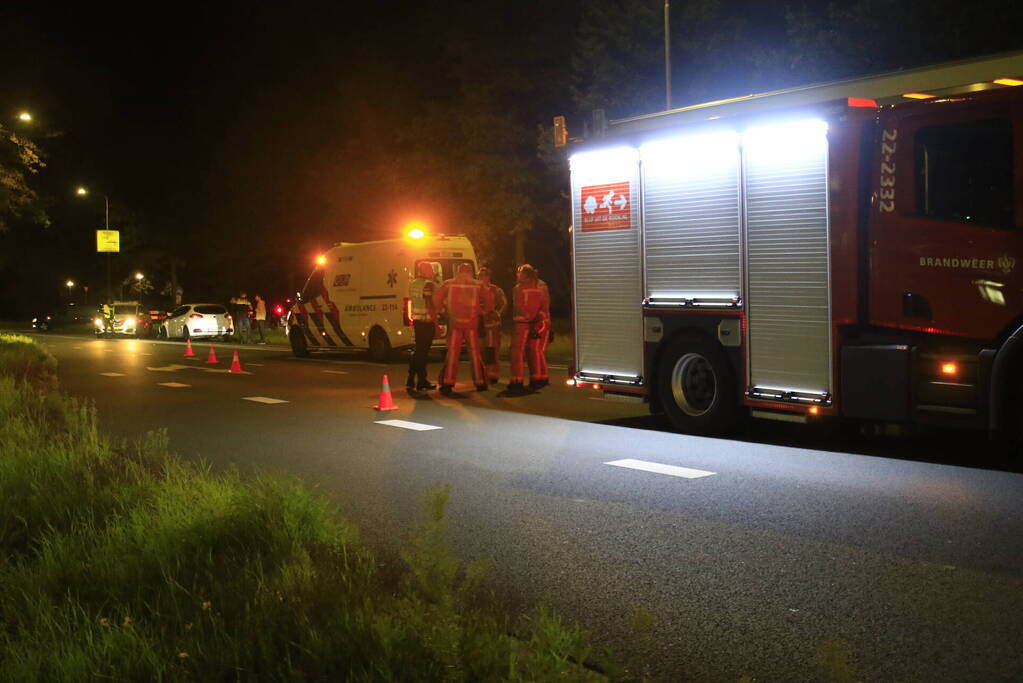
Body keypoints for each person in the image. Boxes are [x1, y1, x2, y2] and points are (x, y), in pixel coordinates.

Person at [432, 263, 492, 395]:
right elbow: (489, 300)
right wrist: (482, 311)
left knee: (453, 353)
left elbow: (436, 298)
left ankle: (448, 382)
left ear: (458, 271)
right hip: (471, 324)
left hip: (455, 323)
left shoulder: (449, 283)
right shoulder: (478, 285)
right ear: (470, 271)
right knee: (475, 353)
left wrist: (443, 310)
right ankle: (480, 382)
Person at [508, 264, 550, 393]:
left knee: (517, 352)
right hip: (536, 324)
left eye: (520, 272)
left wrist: (524, 317)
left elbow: (518, 305)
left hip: (522, 324)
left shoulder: (518, 289)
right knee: (534, 351)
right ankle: (537, 378)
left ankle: (517, 380)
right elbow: (544, 306)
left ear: (525, 275)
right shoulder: (539, 288)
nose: (517, 274)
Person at [406, 262, 439, 391]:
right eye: (430, 269)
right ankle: (421, 380)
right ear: (424, 271)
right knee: (423, 353)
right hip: (426, 321)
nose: (432, 272)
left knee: (419, 351)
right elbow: (429, 303)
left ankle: (411, 378)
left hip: (417, 321)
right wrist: (436, 320)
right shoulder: (428, 284)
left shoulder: (413, 284)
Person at [476, 266, 507, 385]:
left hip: (491, 325)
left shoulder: (495, 289)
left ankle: (492, 374)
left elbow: (504, 303)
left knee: (492, 350)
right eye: (479, 275)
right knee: (479, 350)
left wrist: (497, 314)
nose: (481, 277)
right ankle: (482, 373)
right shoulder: (474, 289)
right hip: (478, 323)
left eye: (484, 275)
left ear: (489, 277)